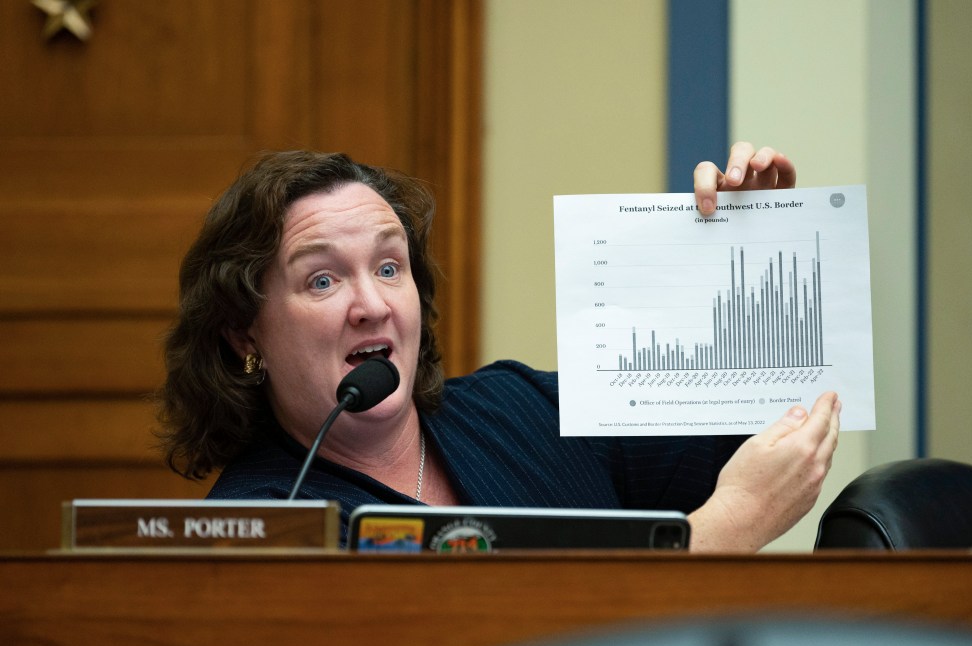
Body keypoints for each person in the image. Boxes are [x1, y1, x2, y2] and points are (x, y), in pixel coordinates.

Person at [157, 142, 840, 551]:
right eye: (323, 278)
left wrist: (751, 247)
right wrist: (720, 536)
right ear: (245, 331)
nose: (372, 304)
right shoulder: (260, 528)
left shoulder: (521, 408)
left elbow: (746, 438)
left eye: (390, 267)